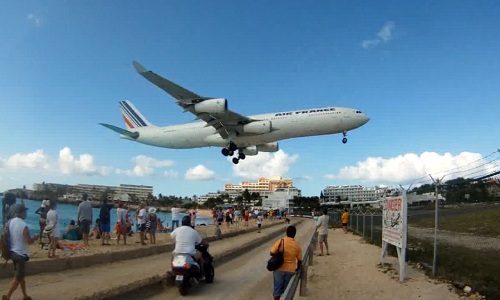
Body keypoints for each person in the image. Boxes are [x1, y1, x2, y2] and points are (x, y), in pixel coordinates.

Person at [3, 205, 38, 300]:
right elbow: (29, 241)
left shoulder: (9, 222)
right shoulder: (23, 225)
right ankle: (7, 296)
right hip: (20, 254)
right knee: (19, 277)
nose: (26, 213)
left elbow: (4, 234)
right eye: (25, 211)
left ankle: (25, 296)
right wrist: (34, 238)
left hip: (12, 252)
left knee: (21, 276)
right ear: (22, 213)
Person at [270, 225, 302, 300]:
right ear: (295, 234)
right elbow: (300, 260)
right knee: (287, 291)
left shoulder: (280, 241)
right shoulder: (297, 245)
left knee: (277, 290)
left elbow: (271, 253)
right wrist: (297, 269)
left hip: (279, 268)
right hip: (290, 270)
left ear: (286, 232)